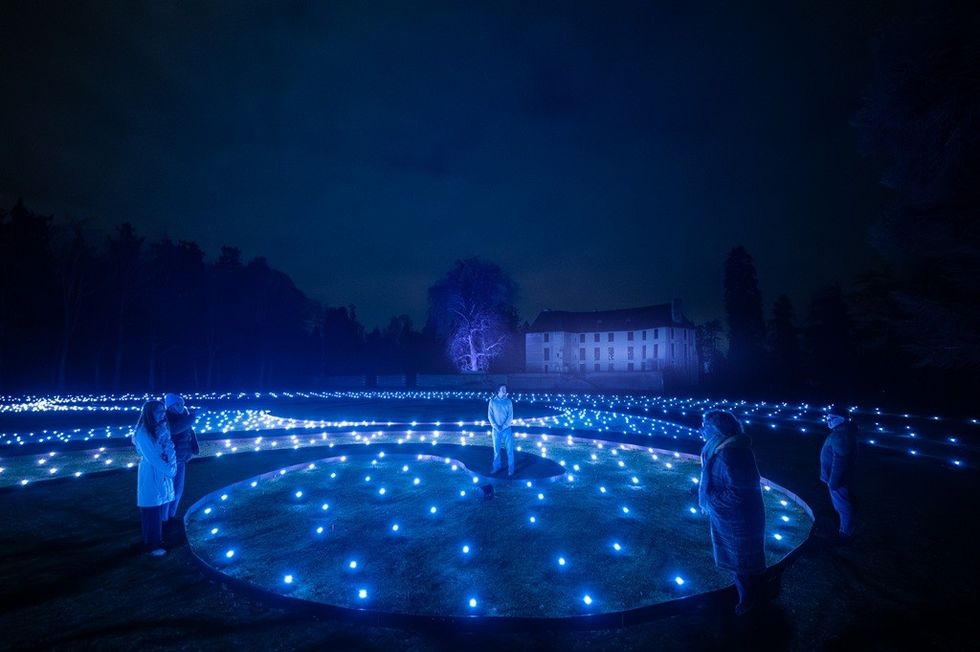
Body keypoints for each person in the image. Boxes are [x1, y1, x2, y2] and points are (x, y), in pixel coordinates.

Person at [698, 409, 767, 615]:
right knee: (742, 561)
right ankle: (753, 595)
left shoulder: (731, 452)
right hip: (732, 516)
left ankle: (748, 603)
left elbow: (738, 491)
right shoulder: (722, 447)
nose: (702, 430)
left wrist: (711, 499)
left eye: (706, 427)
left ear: (717, 430)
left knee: (742, 563)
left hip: (739, 519)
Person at [132, 400, 176, 556]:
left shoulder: (160, 429)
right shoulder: (143, 433)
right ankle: (152, 544)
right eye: (158, 411)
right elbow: (153, 458)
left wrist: (170, 465)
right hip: (151, 473)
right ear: (149, 413)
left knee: (156, 507)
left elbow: (167, 449)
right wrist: (170, 470)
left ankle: (155, 540)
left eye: (162, 411)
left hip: (161, 473)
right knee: (151, 508)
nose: (162, 414)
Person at [821, 403, 859, 543]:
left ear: (842, 418)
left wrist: (833, 482)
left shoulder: (841, 436)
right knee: (841, 504)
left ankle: (846, 533)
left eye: (832, 417)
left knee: (843, 506)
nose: (828, 420)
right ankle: (844, 527)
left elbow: (840, 462)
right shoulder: (841, 433)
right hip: (837, 478)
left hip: (838, 480)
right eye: (827, 417)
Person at [163, 393, 199, 525]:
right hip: (172, 459)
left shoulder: (184, 416)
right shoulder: (167, 417)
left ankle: (170, 516)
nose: (182, 406)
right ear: (171, 406)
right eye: (178, 404)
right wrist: (192, 417)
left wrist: (194, 448)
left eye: (182, 403)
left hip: (182, 459)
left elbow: (189, 432)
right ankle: (164, 518)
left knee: (178, 490)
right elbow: (175, 429)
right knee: (169, 490)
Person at [488, 384, 515, 476]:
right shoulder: (492, 401)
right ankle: (496, 467)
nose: (504, 390)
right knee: (496, 450)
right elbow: (490, 415)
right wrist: (496, 426)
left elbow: (510, 416)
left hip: (507, 429)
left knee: (510, 450)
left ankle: (511, 469)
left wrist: (503, 426)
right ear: (498, 390)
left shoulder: (508, 401)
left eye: (505, 389)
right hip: (495, 430)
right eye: (503, 389)